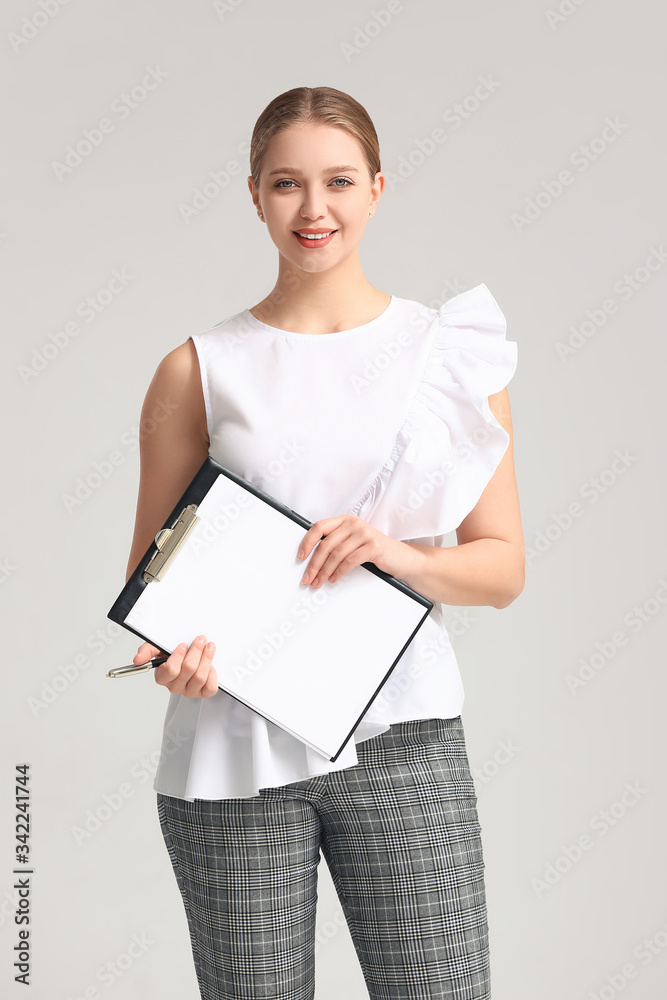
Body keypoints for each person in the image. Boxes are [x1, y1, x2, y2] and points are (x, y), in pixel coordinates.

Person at [124, 85, 524, 1000]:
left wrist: (398, 555)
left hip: (403, 735)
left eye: (338, 181)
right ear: (255, 195)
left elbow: (502, 567)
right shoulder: (198, 367)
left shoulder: (448, 353)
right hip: (231, 750)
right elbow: (153, 590)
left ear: (376, 189)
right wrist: (169, 662)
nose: (315, 209)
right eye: (286, 184)